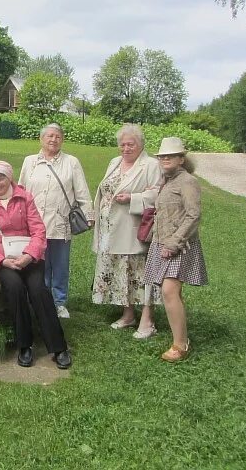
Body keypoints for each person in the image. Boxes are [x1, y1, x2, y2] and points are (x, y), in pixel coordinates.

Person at [0, 161, 71, 370]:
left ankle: (58, 346)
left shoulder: (25, 197)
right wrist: (1, 260)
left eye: (1, 178)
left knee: (38, 289)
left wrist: (29, 255)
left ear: (10, 178)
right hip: (2, 257)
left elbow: (38, 230)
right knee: (15, 288)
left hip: (29, 255)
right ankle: (24, 345)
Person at [92, 124, 162, 338]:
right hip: (110, 230)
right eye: (122, 144)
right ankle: (128, 313)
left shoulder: (150, 165)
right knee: (121, 272)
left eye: (130, 144)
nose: (125, 148)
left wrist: (133, 198)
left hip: (133, 230)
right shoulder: (115, 162)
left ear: (140, 145)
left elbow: (159, 193)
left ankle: (147, 319)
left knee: (140, 273)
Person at [18, 123, 93, 319]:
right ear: (41, 139)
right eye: (49, 136)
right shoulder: (30, 162)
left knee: (59, 265)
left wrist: (89, 215)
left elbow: (82, 192)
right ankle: (39, 299)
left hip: (60, 222)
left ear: (62, 140)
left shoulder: (71, 162)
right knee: (36, 264)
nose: (53, 140)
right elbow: (21, 190)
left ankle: (59, 302)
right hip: (33, 224)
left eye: (57, 137)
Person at [143, 137, 207, 362]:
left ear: (181, 159)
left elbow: (193, 215)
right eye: (162, 156)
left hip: (179, 245)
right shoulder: (167, 181)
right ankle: (180, 336)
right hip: (162, 243)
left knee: (169, 291)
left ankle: (181, 344)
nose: (165, 159)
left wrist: (174, 242)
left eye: (171, 155)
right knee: (172, 292)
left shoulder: (187, 181)